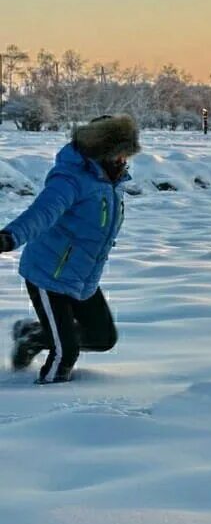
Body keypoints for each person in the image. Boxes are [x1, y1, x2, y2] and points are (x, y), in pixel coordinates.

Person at [0, 115, 140, 384]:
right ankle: (48, 407)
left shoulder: (110, 183)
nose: (123, 162)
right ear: (101, 152)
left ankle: (33, 336)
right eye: (118, 155)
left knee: (102, 338)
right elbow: (42, 213)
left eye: (126, 156)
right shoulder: (70, 180)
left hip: (82, 276)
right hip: (48, 274)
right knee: (65, 353)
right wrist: (9, 237)